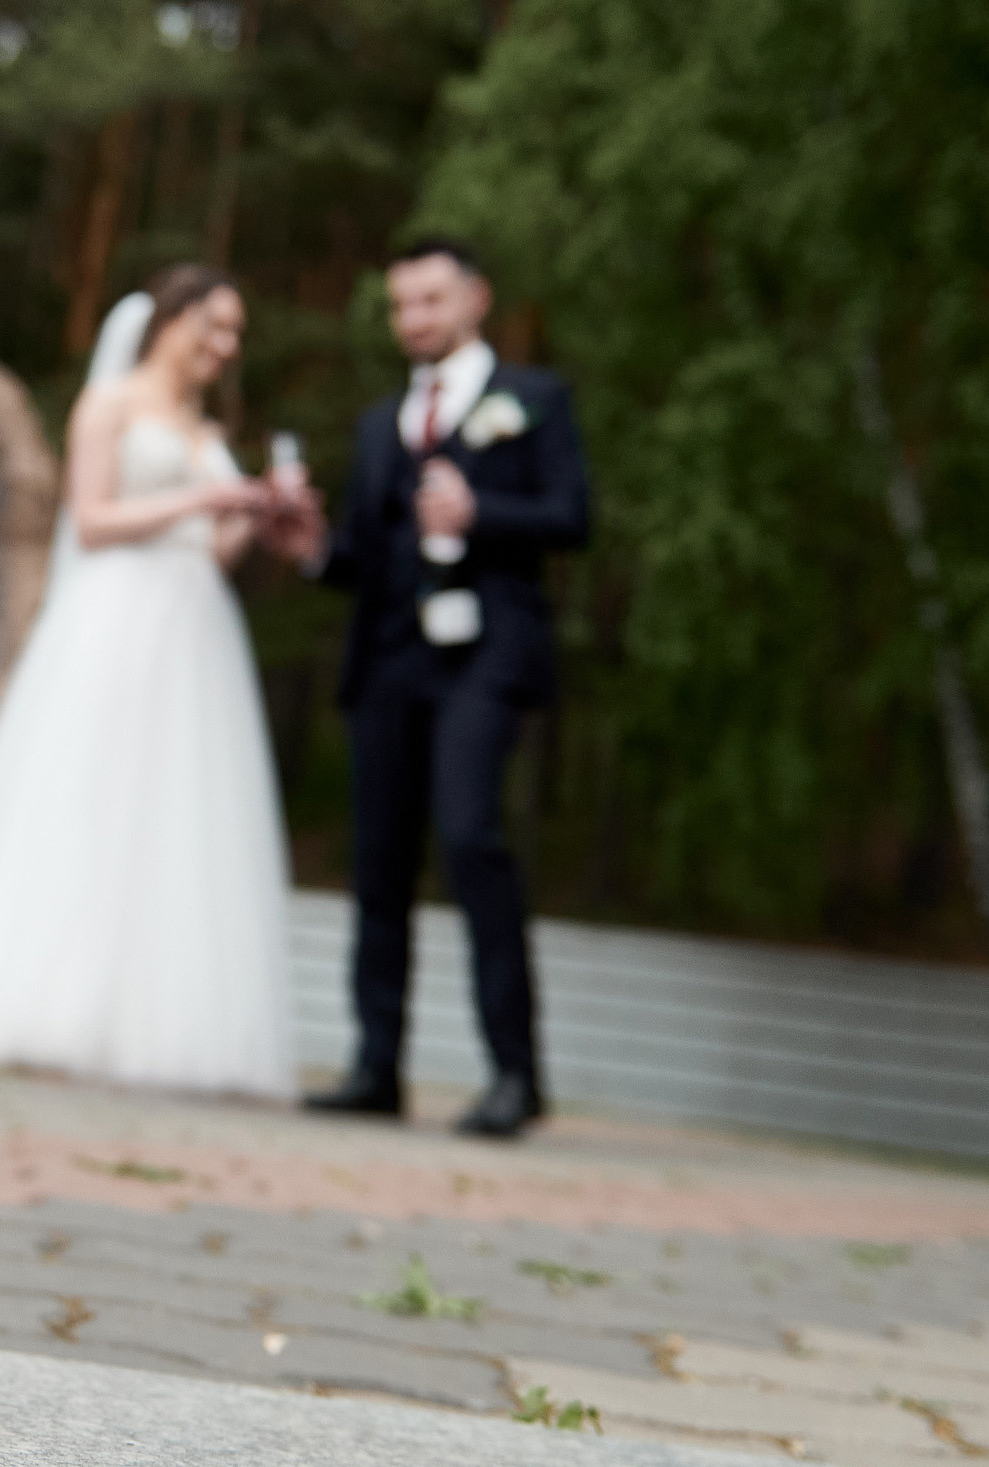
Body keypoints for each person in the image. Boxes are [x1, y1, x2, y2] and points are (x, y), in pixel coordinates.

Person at [0, 265, 296, 1098]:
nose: (226, 346)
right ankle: (47, 999)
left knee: (178, 819)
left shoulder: (200, 424)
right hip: (116, 621)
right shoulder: (108, 405)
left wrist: (251, 514)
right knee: (92, 800)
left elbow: (206, 551)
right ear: (170, 319)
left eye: (236, 333)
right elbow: (94, 522)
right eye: (214, 325)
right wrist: (205, 495)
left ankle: (156, 1017)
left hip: (195, 627)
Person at [262, 237, 591, 1137]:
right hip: (389, 662)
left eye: (432, 300)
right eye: (403, 305)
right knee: (378, 860)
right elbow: (364, 561)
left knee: (474, 834)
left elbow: (574, 515)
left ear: (476, 299)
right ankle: (376, 1068)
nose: (415, 320)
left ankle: (516, 1076)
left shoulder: (534, 399)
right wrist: (314, 553)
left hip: (486, 656)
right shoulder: (380, 426)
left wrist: (484, 514)